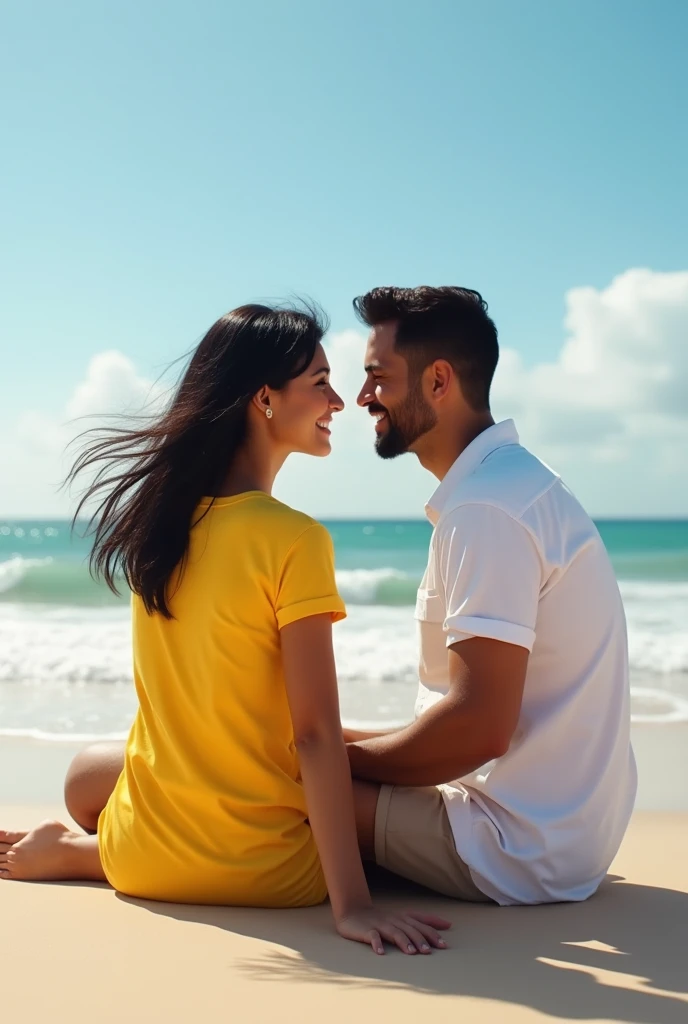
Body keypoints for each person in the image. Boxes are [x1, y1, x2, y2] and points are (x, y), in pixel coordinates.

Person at [0, 302, 449, 955]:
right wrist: (352, 906)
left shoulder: (157, 528)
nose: (339, 402)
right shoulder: (295, 539)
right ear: (264, 398)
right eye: (320, 382)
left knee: (87, 774)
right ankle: (76, 853)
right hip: (272, 876)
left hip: (143, 861)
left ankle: (82, 853)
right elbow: (314, 734)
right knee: (362, 790)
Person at [343, 286, 637, 906]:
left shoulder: (486, 509)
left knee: (258, 783)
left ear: (438, 380)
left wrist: (333, 765)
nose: (362, 397)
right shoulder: (508, 485)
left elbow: (478, 733)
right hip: (556, 825)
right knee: (292, 747)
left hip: (510, 845)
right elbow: (468, 721)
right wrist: (334, 740)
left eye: (377, 377)